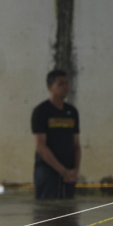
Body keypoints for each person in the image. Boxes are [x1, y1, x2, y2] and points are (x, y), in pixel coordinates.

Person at [31, 69, 81, 199]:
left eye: (67, 83)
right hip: (47, 172)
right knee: (47, 212)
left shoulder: (72, 111)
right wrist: (62, 171)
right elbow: (40, 146)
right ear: (50, 87)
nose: (66, 87)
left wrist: (75, 170)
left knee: (68, 213)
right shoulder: (41, 111)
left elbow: (76, 144)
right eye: (61, 84)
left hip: (69, 173)